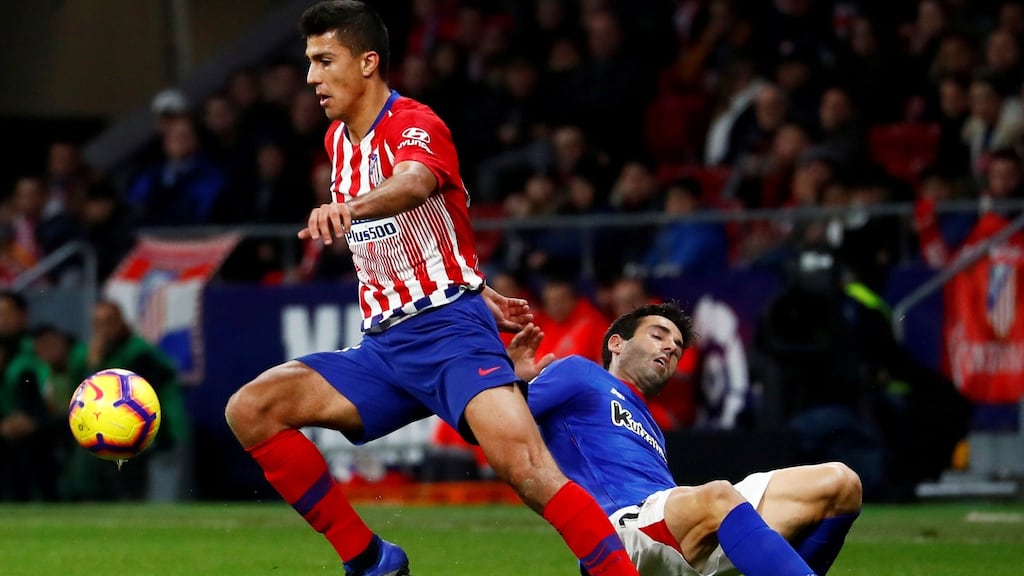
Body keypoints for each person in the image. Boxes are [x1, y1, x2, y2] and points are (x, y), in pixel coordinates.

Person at [223, 3, 642, 576]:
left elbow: (417, 184)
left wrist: (350, 207)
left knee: (530, 473)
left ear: (368, 63)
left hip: (450, 337)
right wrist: (475, 280)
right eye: (308, 63)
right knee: (252, 409)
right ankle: (371, 561)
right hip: (385, 349)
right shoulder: (338, 142)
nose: (311, 77)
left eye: (324, 61)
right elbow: (426, 232)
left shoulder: (416, 123)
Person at [508, 303, 862, 576]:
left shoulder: (652, 423)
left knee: (841, 484)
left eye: (677, 346)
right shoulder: (579, 373)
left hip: (675, 536)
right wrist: (514, 383)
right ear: (617, 343)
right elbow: (497, 422)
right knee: (719, 495)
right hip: (620, 533)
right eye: (658, 335)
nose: (670, 349)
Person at [66, 299, 190, 502]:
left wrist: (94, 364)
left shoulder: (140, 353)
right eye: (98, 324)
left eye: (109, 322)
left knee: (163, 498)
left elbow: (129, 398)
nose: (104, 330)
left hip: (162, 431)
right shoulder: (87, 355)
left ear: (122, 322)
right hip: (120, 433)